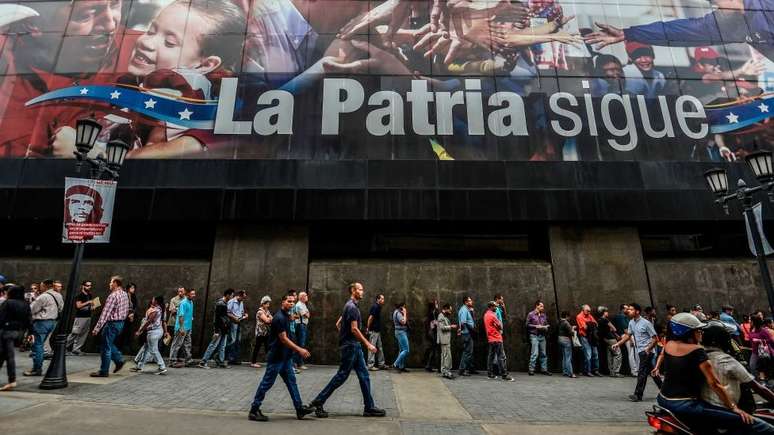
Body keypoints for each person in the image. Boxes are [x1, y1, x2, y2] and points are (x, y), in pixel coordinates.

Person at [656, 313, 774, 433]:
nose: (700, 333)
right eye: (697, 330)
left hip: (663, 399)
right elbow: (714, 383)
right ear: (687, 332)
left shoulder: (668, 346)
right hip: (686, 405)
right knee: (758, 425)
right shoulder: (698, 351)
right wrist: (734, 408)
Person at [307, 282, 386, 418]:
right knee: (342, 376)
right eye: (360, 289)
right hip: (351, 347)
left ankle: (369, 407)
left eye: (362, 289)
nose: (363, 292)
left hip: (352, 345)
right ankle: (318, 401)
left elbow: (339, 324)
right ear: (353, 290)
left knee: (364, 375)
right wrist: (367, 344)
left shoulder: (349, 306)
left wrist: (345, 336)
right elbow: (354, 329)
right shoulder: (352, 308)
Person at [247, 293, 315, 422]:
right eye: (289, 301)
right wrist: (299, 349)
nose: (291, 303)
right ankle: (254, 410)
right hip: (277, 357)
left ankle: (299, 409)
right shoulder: (279, 318)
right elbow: (283, 339)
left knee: (292, 382)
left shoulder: (287, 316)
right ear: (282, 302)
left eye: (293, 302)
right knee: (267, 383)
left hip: (286, 358)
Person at [700, 320, 774, 414]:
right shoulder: (725, 360)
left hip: (706, 409)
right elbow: (757, 387)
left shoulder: (699, 357)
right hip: (726, 411)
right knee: (767, 428)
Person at [612, 303, 661, 402]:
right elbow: (628, 336)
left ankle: (638, 394)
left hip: (647, 352)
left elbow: (655, 338)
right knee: (651, 371)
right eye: (628, 309)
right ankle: (665, 390)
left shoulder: (646, 323)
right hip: (640, 351)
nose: (628, 311)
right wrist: (618, 344)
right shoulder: (631, 323)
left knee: (642, 372)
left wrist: (648, 349)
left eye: (631, 309)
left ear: (637, 311)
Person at [90, 276, 130, 377]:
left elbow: (105, 314)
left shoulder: (113, 296)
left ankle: (104, 371)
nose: (109, 284)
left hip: (112, 324)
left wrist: (96, 329)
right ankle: (119, 360)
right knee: (108, 343)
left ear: (116, 283)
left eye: (111, 282)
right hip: (120, 323)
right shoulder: (125, 294)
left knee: (105, 347)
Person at [23, 279, 62, 377]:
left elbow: (32, 309)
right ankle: (37, 368)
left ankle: (37, 369)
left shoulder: (43, 296)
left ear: (45, 286)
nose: (40, 287)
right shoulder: (58, 295)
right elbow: (61, 308)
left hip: (41, 323)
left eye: (41, 286)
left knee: (37, 346)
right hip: (53, 322)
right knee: (41, 344)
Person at [0, 285, 32, 391]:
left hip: (6, 331)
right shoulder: (25, 304)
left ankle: (12, 380)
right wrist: (31, 333)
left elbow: (1, 318)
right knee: (4, 354)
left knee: (9, 356)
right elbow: (29, 320)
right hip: (19, 332)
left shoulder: (8, 303)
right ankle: (11, 380)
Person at [131, 296, 167, 375]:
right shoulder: (160, 308)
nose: (152, 300)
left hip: (153, 333)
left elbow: (148, 321)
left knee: (154, 350)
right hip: (157, 331)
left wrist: (140, 331)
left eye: (153, 299)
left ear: (156, 301)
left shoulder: (155, 310)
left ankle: (162, 367)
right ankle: (139, 366)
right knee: (146, 348)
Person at [199, 289, 234, 369]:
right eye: (232, 295)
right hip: (220, 329)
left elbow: (224, 317)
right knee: (213, 345)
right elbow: (217, 318)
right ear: (227, 295)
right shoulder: (220, 304)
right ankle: (203, 362)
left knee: (222, 346)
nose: (232, 297)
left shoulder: (224, 303)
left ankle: (221, 362)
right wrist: (216, 331)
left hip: (224, 329)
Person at [485, 301, 513, 381]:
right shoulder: (493, 316)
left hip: (490, 339)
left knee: (490, 357)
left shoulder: (486, 315)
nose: (496, 308)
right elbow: (500, 326)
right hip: (497, 338)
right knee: (501, 357)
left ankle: (490, 374)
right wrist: (499, 327)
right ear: (490, 307)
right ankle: (504, 375)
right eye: (494, 306)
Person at [169, 288, 196, 368]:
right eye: (192, 294)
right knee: (177, 344)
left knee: (187, 344)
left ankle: (188, 360)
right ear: (187, 294)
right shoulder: (183, 303)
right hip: (181, 328)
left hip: (188, 328)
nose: (194, 295)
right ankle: (172, 361)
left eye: (194, 294)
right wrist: (181, 328)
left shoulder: (191, 302)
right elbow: (181, 316)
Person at [66, 280, 93, 356]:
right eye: (87, 285)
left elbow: (89, 306)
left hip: (88, 317)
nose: (89, 287)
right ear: (83, 286)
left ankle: (76, 350)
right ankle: (63, 348)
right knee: (74, 333)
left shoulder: (89, 295)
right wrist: (88, 302)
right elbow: (78, 306)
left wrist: (92, 307)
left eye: (90, 285)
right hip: (80, 317)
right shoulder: (79, 296)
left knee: (83, 334)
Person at [526, 300, 550, 376]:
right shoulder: (531, 314)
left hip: (542, 336)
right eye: (541, 306)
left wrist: (546, 327)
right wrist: (535, 326)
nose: (543, 307)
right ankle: (531, 370)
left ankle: (544, 370)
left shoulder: (543, 315)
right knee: (535, 353)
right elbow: (527, 325)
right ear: (537, 306)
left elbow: (546, 324)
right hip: (534, 336)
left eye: (543, 306)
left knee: (543, 354)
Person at [598, 306, 623, 377]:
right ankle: (616, 372)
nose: (607, 313)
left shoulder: (599, 320)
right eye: (606, 312)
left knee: (610, 355)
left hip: (605, 340)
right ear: (604, 312)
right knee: (618, 354)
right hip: (611, 339)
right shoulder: (605, 320)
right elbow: (614, 329)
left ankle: (611, 372)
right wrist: (612, 329)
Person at [576, 304, 601, 377]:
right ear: (583, 310)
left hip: (592, 337)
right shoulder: (579, 316)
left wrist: (590, 324)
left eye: (590, 311)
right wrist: (591, 324)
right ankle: (588, 371)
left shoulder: (589, 315)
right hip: (584, 337)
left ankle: (596, 370)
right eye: (587, 311)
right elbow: (585, 328)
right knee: (588, 354)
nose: (589, 312)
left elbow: (596, 324)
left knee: (595, 354)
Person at [749, 316, 774, 382]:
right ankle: (758, 382)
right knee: (752, 367)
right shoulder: (751, 329)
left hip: (764, 353)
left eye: (750, 320)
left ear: (754, 322)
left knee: (764, 369)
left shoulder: (763, 331)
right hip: (755, 352)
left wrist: (760, 340)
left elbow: (771, 341)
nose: (749, 321)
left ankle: (766, 383)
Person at [226, 290, 248, 365]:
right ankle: (230, 358)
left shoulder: (241, 302)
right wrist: (234, 318)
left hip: (239, 322)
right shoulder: (231, 301)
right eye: (243, 298)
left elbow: (241, 312)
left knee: (238, 341)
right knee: (233, 340)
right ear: (239, 295)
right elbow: (227, 312)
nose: (243, 300)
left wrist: (244, 315)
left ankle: (235, 358)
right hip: (233, 323)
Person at [366, 294, 387, 371]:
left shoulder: (378, 307)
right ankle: (370, 365)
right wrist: (368, 328)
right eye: (382, 299)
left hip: (377, 331)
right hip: (374, 331)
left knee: (380, 348)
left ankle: (381, 364)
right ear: (378, 299)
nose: (383, 300)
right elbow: (370, 318)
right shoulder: (375, 307)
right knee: (372, 347)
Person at [251, 296, 273, 368]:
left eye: (268, 304)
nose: (268, 305)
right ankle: (253, 362)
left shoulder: (267, 311)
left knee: (268, 347)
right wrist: (269, 318)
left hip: (266, 332)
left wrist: (268, 318)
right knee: (257, 347)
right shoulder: (260, 311)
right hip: (260, 332)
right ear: (263, 304)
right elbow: (267, 320)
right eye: (267, 304)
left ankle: (270, 362)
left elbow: (272, 319)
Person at [437, 303, 457, 379]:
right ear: (446, 308)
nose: (450, 312)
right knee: (446, 356)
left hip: (445, 339)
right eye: (450, 310)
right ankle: (446, 371)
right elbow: (442, 327)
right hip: (444, 340)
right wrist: (451, 326)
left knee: (445, 356)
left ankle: (445, 371)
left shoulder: (443, 316)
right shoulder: (441, 316)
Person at [458, 295, 476, 377]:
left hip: (467, 333)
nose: (471, 302)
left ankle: (465, 369)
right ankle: (462, 370)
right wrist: (471, 330)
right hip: (466, 334)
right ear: (465, 302)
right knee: (467, 352)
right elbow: (463, 322)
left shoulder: (467, 309)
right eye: (469, 301)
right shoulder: (464, 310)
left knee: (468, 352)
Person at [293, 292, 310, 370]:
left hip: (303, 325)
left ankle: (297, 363)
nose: (307, 297)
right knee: (301, 344)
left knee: (301, 344)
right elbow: (306, 315)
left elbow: (308, 314)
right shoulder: (299, 305)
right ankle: (299, 363)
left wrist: (307, 313)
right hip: (301, 326)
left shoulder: (303, 304)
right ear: (302, 297)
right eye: (306, 295)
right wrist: (307, 313)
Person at [392, 302, 410, 373]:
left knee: (402, 350)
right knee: (406, 350)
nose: (405, 308)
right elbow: (403, 322)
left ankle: (401, 366)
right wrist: (405, 313)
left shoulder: (396, 312)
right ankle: (395, 364)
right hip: (401, 333)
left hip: (399, 332)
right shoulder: (398, 313)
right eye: (404, 307)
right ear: (401, 307)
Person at [558, 311, 576, 378]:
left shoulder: (560, 321)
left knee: (564, 356)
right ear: (566, 316)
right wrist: (573, 329)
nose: (569, 318)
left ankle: (565, 371)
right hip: (566, 340)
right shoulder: (566, 322)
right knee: (568, 357)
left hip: (560, 339)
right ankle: (571, 373)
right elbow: (571, 333)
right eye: (569, 316)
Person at [423, 299, 440, 372]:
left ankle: (429, 365)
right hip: (433, 333)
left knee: (433, 350)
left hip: (431, 333)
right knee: (434, 350)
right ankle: (429, 365)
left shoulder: (430, 313)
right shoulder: (433, 312)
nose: (437, 304)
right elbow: (434, 323)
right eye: (436, 303)